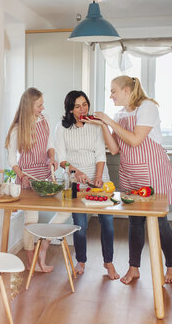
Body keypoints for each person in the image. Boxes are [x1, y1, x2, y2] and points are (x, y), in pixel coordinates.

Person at [89, 75, 172, 284]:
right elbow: (114, 148)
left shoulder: (147, 107)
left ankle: (171, 267)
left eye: (113, 91)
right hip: (130, 172)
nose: (110, 95)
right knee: (135, 222)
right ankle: (134, 267)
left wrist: (108, 120)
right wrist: (102, 124)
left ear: (127, 91)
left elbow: (136, 140)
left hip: (152, 171)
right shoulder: (119, 115)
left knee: (160, 223)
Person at [50, 90, 119, 279]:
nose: (82, 109)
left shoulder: (95, 126)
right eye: (77, 106)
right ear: (70, 109)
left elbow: (100, 154)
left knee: (108, 223)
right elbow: (62, 159)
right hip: (76, 181)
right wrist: (76, 172)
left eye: (85, 105)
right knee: (80, 224)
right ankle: (81, 261)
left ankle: (109, 263)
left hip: (99, 178)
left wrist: (98, 176)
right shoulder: (61, 128)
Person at [5, 87, 58, 272]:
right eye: (39, 105)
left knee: (62, 210)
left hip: (44, 174)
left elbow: (50, 145)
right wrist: (22, 176)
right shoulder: (17, 129)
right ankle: (33, 263)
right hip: (27, 177)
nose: (43, 108)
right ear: (29, 106)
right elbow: (11, 159)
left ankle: (42, 249)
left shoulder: (45, 121)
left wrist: (52, 157)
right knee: (31, 220)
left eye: (42, 104)